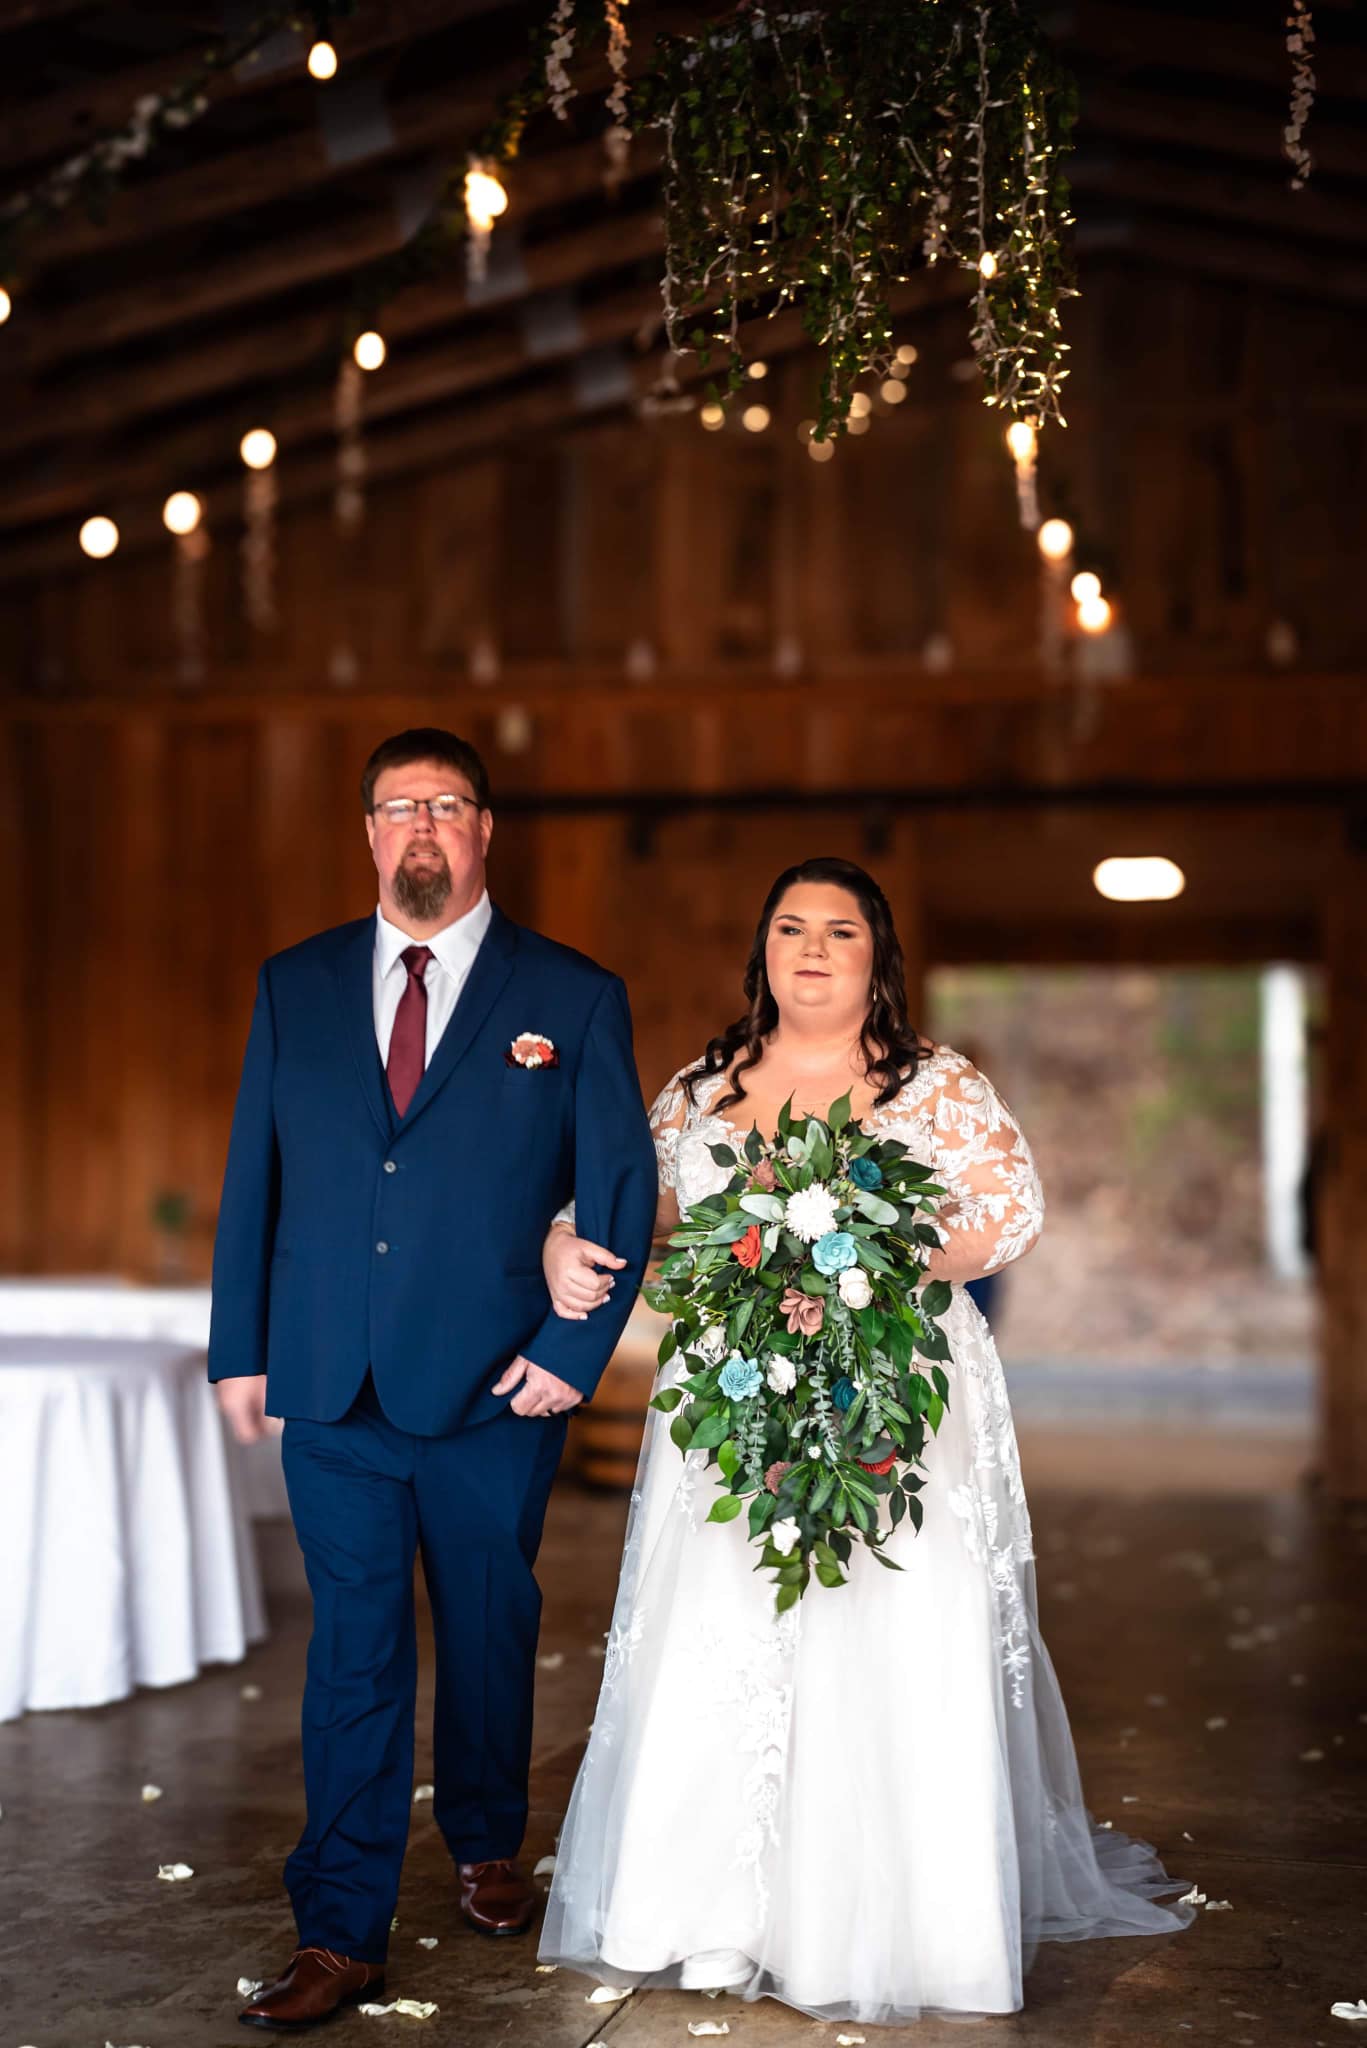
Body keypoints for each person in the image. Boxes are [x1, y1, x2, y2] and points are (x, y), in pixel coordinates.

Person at [537, 856, 1194, 2025]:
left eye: (839, 931)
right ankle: (706, 1915)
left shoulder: (932, 1084)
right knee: (726, 1618)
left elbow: (1008, 1212)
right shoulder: (700, 1086)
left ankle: (900, 1924)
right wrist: (566, 1239)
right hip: (734, 1388)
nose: (811, 947)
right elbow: (633, 1206)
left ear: (873, 959)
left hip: (894, 1389)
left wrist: (868, 1249)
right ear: (762, 952)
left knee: (885, 1619)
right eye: (789, 927)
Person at [208, 728, 657, 2032]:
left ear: (482, 830)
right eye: (398, 806)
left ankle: (481, 1837)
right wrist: (242, 1346)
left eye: (445, 806)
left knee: (485, 1626)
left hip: (492, 1389)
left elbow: (616, 1189)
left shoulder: (569, 996)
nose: (420, 828)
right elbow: (257, 1177)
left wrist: (570, 1358)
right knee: (351, 1652)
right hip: (331, 1387)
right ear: (367, 834)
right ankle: (340, 1929)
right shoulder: (291, 987)